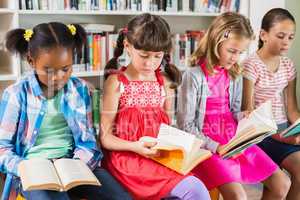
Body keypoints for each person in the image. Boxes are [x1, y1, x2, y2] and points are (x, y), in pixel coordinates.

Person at [0, 22, 131, 200]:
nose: (58, 77)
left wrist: (77, 165)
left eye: (65, 69)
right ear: (31, 61)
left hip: (73, 165)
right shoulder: (16, 94)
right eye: (48, 70)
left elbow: (87, 141)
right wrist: (23, 167)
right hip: (33, 171)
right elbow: (2, 148)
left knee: (121, 197)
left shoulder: (80, 90)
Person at [177, 12, 290, 200]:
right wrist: (215, 146)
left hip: (234, 140)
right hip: (207, 146)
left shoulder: (234, 74)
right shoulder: (194, 76)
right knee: (238, 196)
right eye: (231, 51)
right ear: (216, 42)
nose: (235, 58)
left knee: (282, 183)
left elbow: (234, 112)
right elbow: (185, 126)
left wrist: (244, 116)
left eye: (240, 52)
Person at [100, 13, 210, 200]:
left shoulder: (164, 83)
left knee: (197, 189)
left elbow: (168, 128)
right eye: (144, 55)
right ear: (128, 46)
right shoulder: (116, 82)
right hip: (128, 159)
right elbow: (106, 137)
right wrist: (135, 146)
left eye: (157, 56)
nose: (150, 63)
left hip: (160, 157)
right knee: (193, 190)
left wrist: (183, 147)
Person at [242, 8, 300, 200]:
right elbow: (247, 113)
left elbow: (291, 108)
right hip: (261, 134)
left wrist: (297, 128)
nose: (286, 42)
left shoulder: (288, 65)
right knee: (290, 176)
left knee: (279, 186)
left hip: (283, 130)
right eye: (281, 36)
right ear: (263, 35)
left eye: (291, 37)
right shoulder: (251, 65)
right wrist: (281, 137)